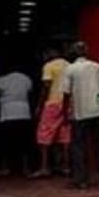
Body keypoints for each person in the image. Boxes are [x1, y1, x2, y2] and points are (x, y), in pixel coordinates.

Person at [63, 41, 99, 190]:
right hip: (98, 108)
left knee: (79, 146)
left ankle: (81, 179)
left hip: (80, 111)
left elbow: (66, 93)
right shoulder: (97, 66)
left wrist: (65, 111)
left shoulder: (70, 69)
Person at [32, 45, 71, 178]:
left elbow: (46, 87)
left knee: (44, 135)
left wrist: (39, 105)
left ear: (50, 52)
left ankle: (44, 167)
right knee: (65, 136)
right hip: (67, 104)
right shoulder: (68, 65)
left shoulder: (49, 66)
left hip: (52, 104)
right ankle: (66, 166)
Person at [0, 62, 34, 177]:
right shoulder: (26, 79)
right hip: (24, 113)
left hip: (7, 114)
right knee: (25, 142)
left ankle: (6, 167)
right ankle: (26, 168)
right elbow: (30, 90)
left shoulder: (1, 80)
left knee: (7, 142)